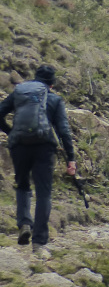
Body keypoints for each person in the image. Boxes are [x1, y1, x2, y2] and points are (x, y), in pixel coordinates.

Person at [0, 65, 76, 258]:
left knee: (22, 185)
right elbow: (64, 131)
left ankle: (24, 223)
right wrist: (71, 158)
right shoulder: (55, 99)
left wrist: (11, 132)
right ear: (51, 84)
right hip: (44, 147)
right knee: (44, 192)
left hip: (19, 145)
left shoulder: (20, 93)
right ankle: (39, 242)